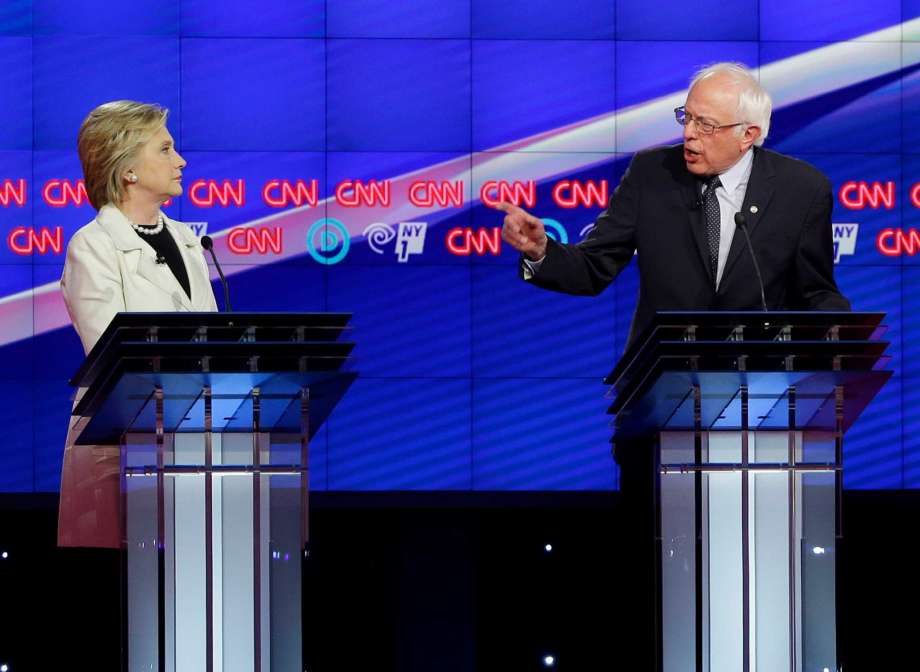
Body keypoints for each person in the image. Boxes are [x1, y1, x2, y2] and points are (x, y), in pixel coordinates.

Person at [497, 62, 850, 662]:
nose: (689, 135)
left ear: (750, 134)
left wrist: (838, 341)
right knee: (656, 573)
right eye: (687, 118)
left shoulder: (802, 188)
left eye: (707, 125)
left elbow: (815, 292)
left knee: (755, 565)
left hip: (759, 415)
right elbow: (592, 268)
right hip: (658, 411)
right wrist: (541, 253)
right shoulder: (650, 176)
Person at [58, 100, 218, 549]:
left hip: (195, 444)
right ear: (128, 169)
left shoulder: (189, 241)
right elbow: (113, 356)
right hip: (128, 447)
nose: (181, 160)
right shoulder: (93, 246)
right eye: (165, 149)